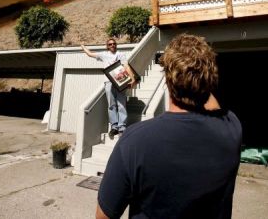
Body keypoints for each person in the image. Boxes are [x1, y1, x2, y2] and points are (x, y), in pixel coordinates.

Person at [96, 33, 242, 219]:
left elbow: (103, 216)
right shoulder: (232, 128)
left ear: (167, 79)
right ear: (210, 78)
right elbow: (215, 106)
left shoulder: (135, 141)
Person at [81, 38, 135, 138]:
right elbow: (90, 54)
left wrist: (132, 79)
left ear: (116, 45)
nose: (112, 45)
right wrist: (83, 46)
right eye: (110, 44)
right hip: (108, 82)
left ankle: (122, 127)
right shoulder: (103, 55)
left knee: (121, 104)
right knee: (111, 105)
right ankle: (114, 127)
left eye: (114, 44)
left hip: (120, 82)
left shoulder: (121, 54)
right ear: (107, 46)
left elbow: (126, 66)